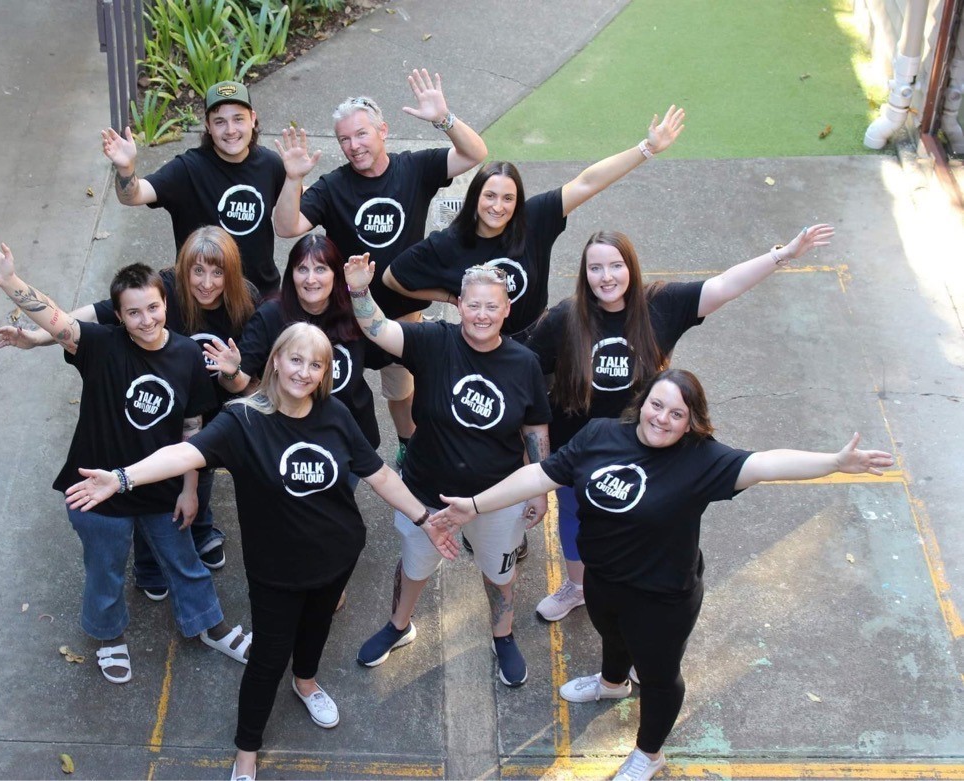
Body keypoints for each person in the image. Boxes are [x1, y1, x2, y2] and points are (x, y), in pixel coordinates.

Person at [428, 368, 893, 781]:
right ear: (643, 402)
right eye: (657, 405)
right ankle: (611, 684)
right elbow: (541, 476)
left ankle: (648, 755)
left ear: (691, 422)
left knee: (658, 674)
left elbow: (767, 464)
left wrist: (833, 463)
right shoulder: (600, 435)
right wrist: (473, 506)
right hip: (603, 579)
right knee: (611, 635)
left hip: (662, 597)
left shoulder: (702, 461)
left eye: (677, 414)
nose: (662, 419)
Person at [64, 323, 458, 781]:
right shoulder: (242, 420)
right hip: (276, 572)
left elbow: (380, 475)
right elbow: (181, 455)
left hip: (336, 556)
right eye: (295, 360)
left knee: (316, 630)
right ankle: (247, 748)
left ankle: (306, 683)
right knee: (268, 660)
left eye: (316, 365)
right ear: (275, 360)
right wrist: (123, 477)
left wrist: (425, 519)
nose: (304, 372)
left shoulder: (335, 414)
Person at [0, 234, 252, 685]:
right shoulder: (100, 346)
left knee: (183, 559)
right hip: (95, 488)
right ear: (117, 316)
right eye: (133, 313)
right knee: (104, 567)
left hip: (159, 488)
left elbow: (192, 427)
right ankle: (108, 635)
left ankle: (210, 625)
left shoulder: (185, 356)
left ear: (166, 304)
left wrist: (191, 488)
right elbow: (57, 320)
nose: (146, 320)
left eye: (154, 308)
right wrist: (9, 281)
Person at [526, 224, 835, 622]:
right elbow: (527, 374)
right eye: (595, 268)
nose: (606, 277)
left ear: (631, 268)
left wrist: (784, 253)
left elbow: (725, 286)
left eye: (616, 265)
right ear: (584, 274)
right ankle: (578, 587)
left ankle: (634, 603)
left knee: (640, 521)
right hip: (578, 446)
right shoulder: (566, 318)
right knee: (575, 513)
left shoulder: (661, 305)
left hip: (645, 445)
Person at [0, 225, 261, 574]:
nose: (206, 283)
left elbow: (254, 386)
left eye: (217, 272)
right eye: (197, 271)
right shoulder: (162, 293)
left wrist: (231, 373)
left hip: (214, 405)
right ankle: (150, 562)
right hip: (159, 411)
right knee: (154, 478)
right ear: (181, 273)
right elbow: (76, 321)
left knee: (197, 475)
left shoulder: (247, 303)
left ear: (231, 274)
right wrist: (36, 337)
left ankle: (200, 529)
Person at [343, 257, 551, 687]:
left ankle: (503, 635)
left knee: (500, 573)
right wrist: (360, 291)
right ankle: (399, 626)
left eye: (492, 307)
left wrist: (538, 487)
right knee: (414, 566)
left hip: (496, 500)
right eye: (473, 305)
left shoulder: (524, 363)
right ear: (458, 305)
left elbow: (534, 426)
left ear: (507, 309)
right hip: (424, 494)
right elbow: (379, 329)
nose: (482, 315)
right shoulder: (433, 341)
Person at [273, 69, 488, 466]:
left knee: (402, 391)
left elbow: (476, 154)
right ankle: (331, 456)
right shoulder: (334, 186)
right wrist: (292, 179)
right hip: (344, 317)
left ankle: (408, 448)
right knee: (335, 390)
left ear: (383, 131)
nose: (353, 146)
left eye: (361, 134)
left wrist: (444, 119)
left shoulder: (415, 169)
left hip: (402, 317)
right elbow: (287, 227)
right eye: (344, 139)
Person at [383, 105, 686, 342]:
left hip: (538, 336)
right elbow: (394, 277)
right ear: (475, 197)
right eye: (490, 196)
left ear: (518, 203)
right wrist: (452, 297)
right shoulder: (449, 242)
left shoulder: (535, 218)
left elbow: (587, 183)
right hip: (483, 341)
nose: (498, 206)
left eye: (508, 198)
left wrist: (646, 148)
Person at [102, 81, 286, 293]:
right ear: (207, 125)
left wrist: (296, 177)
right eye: (220, 122)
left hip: (260, 293)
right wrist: (126, 169)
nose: (231, 130)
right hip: (203, 295)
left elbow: (297, 201)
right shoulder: (188, 169)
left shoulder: (271, 164)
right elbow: (133, 195)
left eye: (238, 119)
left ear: (252, 119)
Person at [207, 234, 384, 454]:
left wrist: (360, 292)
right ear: (291, 274)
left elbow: (385, 338)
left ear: (336, 274)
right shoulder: (270, 316)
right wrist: (232, 373)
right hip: (286, 439)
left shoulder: (355, 310)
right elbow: (237, 382)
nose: (310, 279)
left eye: (320, 269)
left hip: (348, 437)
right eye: (302, 269)